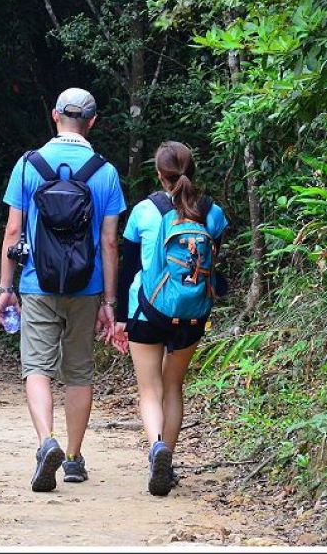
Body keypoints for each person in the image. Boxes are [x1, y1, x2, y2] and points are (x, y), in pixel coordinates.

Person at [0, 87, 126, 492]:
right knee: (79, 371)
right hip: (86, 287)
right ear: (92, 122)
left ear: (55, 115)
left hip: (37, 282)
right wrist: (109, 301)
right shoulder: (104, 171)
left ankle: (44, 442)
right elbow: (108, 243)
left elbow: (13, 230)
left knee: (36, 366)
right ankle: (72, 458)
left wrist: (6, 287)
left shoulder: (28, 165)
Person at [115, 141, 228, 496]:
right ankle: (169, 462)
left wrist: (119, 317)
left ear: (158, 174)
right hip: (192, 313)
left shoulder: (144, 211)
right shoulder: (213, 213)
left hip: (148, 311)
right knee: (174, 387)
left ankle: (156, 449)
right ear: (192, 169)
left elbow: (128, 268)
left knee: (150, 389)